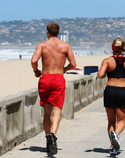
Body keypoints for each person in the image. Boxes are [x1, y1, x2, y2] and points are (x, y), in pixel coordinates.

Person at [31, 22, 76, 155]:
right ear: (58, 32)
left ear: (47, 32)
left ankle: (47, 138)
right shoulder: (65, 46)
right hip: (58, 78)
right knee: (57, 111)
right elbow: (73, 64)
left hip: (45, 78)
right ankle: (53, 136)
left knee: (47, 113)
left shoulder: (42, 45)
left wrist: (36, 71)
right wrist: (64, 69)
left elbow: (34, 60)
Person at [98, 38, 125, 155]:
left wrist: (110, 75)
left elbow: (100, 75)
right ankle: (116, 135)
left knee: (111, 120)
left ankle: (113, 147)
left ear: (112, 48)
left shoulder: (107, 61)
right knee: (122, 120)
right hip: (123, 91)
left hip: (110, 90)